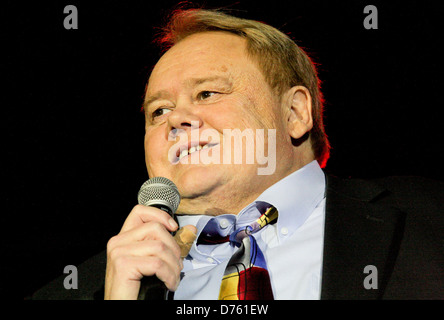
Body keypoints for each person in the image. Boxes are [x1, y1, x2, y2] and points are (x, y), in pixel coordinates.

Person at [33, 8, 444, 300]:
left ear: (295, 113)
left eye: (207, 93)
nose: (176, 119)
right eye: (158, 111)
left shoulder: (431, 216)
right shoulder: (78, 290)